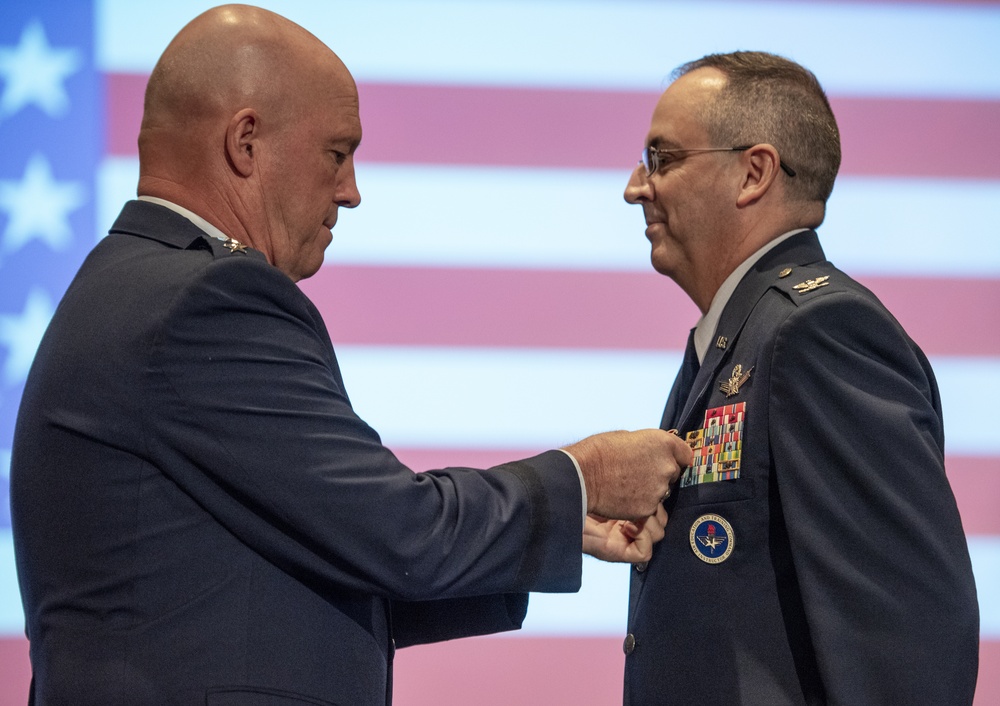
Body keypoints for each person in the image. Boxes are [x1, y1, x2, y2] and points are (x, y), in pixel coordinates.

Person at [9, 6, 692, 705]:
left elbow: (308, 562)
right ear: (246, 142)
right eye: (337, 153)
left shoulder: (131, 284)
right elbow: (401, 532)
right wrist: (586, 475)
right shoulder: (207, 299)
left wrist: (556, 524)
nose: (351, 191)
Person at [622, 51, 979, 704]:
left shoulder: (817, 331)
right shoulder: (737, 335)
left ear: (753, 173)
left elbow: (908, 635)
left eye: (663, 159)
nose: (636, 186)